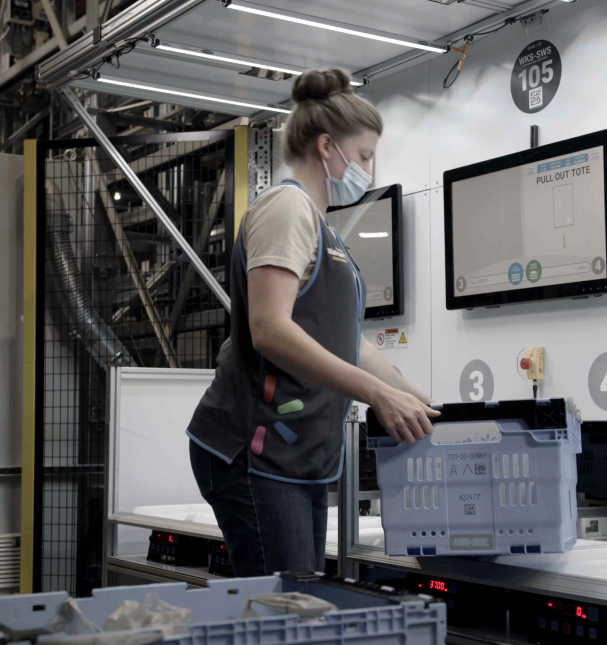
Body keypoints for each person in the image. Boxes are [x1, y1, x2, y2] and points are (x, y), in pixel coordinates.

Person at [185, 68, 439, 577]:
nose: (367, 167)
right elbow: (271, 329)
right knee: (284, 611)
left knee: (295, 604)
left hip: (292, 456)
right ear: (328, 146)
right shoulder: (287, 210)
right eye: (364, 155)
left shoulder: (325, 230)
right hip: (252, 451)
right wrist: (376, 395)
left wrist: (413, 397)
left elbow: (346, 343)